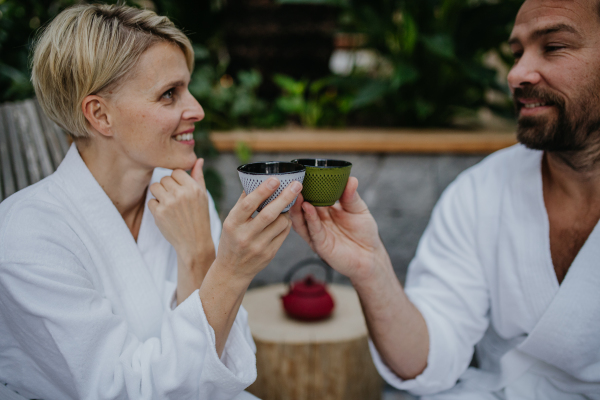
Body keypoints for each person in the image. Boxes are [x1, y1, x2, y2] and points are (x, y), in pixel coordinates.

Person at [290, 0, 600, 398]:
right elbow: (427, 359)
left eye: (553, 46)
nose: (516, 73)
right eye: (517, 52)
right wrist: (371, 269)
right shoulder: (480, 191)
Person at [0, 4, 301, 399]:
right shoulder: (25, 238)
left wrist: (200, 256)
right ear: (100, 115)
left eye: (188, 88)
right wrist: (226, 269)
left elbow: (227, 359)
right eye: (169, 94)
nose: (197, 109)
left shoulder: (182, 195)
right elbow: (126, 391)